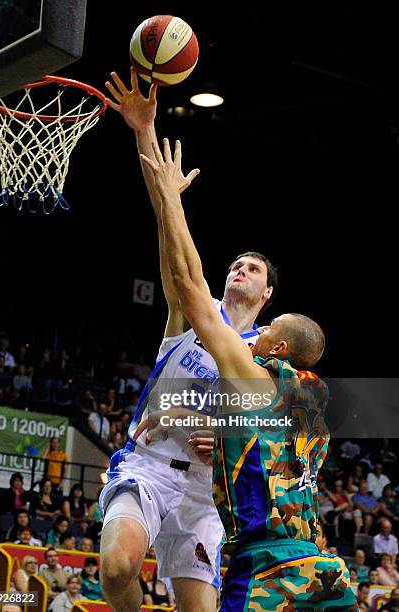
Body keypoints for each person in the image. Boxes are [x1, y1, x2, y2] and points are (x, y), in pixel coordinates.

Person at [135, 137, 357, 610]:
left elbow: (189, 284)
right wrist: (189, 419)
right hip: (322, 569)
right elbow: (258, 435)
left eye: (265, 331)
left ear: (277, 347)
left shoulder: (254, 372)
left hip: (268, 572)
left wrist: (170, 197)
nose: (252, 337)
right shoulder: (314, 399)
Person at [99, 69, 276, 612]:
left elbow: (266, 430)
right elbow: (170, 230)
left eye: (252, 268)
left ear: (267, 294)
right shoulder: (190, 312)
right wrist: (143, 132)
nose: (240, 269)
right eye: (236, 263)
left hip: (203, 491)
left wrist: (219, 437)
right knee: (117, 567)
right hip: (149, 466)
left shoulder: (263, 354)